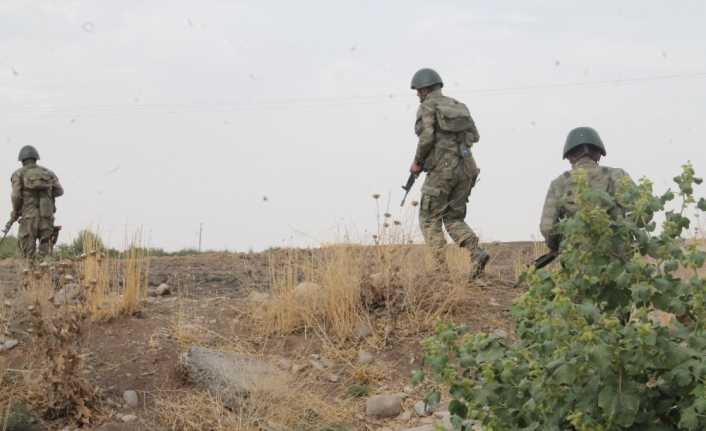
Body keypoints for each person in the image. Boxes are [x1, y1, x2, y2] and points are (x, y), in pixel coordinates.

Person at [409, 68, 489, 280]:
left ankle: (440, 271)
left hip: (442, 172)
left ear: (425, 89)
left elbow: (426, 138)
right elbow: (476, 136)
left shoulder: (428, 106)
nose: (417, 95)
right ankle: (476, 252)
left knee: (429, 217)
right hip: (467, 168)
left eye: (418, 91)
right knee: (453, 217)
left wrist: (417, 163)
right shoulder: (459, 106)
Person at [540, 126, 634, 251]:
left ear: (570, 157)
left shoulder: (559, 183)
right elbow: (640, 213)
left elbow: (547, 228)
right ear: (599, 154)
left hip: (578, 259)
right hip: (617, 259)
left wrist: (559, 246)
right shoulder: (617, 175)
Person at [9, 145, 64, 260]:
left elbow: (16, 196)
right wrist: (47, 194)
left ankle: (31, 276)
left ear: (22, 160)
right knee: (46, 256)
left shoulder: (18, 174)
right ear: (36, 158)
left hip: (29, 217)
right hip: (47, 217)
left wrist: (15, 212)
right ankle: (45, 275)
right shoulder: (48, 173)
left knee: (28, 256)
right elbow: (59, 191)